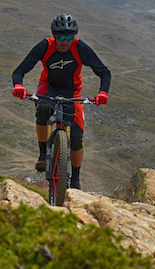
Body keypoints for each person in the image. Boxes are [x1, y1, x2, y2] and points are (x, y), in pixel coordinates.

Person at [11, 13, 111, 189]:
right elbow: (19, 71)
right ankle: (43, 155)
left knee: (77, 137)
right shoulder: (44, 46)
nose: (65, 41)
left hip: (71, 90)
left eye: (69, 37)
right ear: (53, 35)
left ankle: (76, 180)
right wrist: (18, 86)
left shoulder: (80, 48)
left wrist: (103, 92)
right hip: (48, 86)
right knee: (42, 108)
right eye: (61, 37)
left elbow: (104, 72)